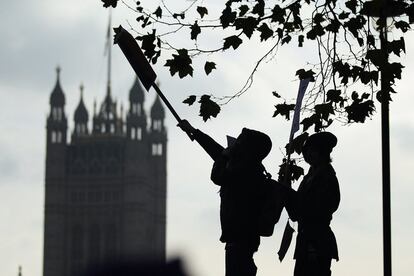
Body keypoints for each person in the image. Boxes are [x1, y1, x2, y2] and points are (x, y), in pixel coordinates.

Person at [178, 120, 272, 276]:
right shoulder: (249, 168)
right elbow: (216, 150)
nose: (235, 144)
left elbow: (217, 176)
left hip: (239, 239)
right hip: (241, 239)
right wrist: (194, 132)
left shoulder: (244, 171)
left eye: (240, 142)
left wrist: (224, 156)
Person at [284, 132, 340, 276]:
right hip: (306, 239)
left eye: (310, 150)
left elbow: (310, 209)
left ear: (320, 152)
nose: (307, 154)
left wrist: (288, 193)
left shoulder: (326, 177)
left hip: (316, 241)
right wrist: (286, 187)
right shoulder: (310, 177)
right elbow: (296, 212)